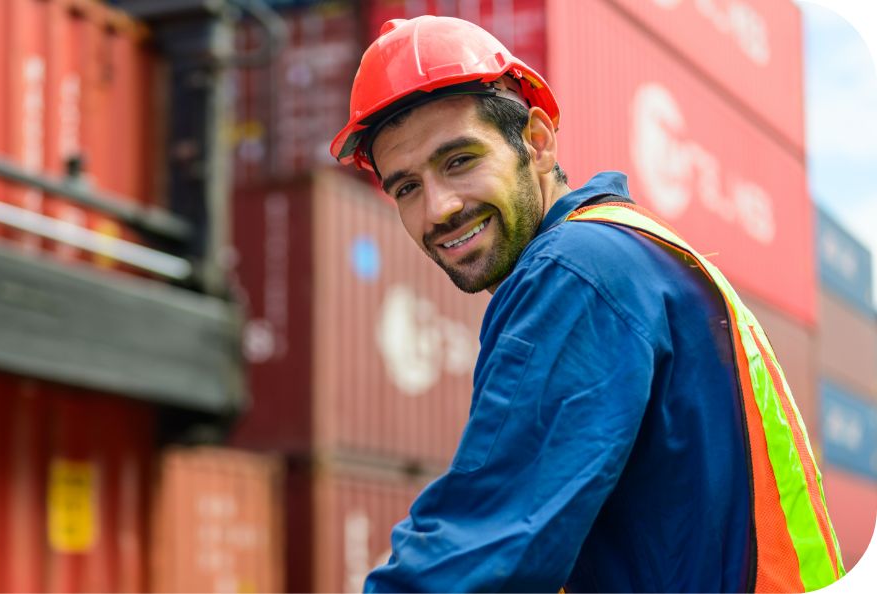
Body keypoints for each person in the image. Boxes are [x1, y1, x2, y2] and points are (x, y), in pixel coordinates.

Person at [329, 15, 845, 593]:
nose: (438, 209)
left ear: (538, 141)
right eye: (407, 187)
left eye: (460, 161)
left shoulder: (576, 270)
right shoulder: (633, 248)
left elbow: (484, 553)